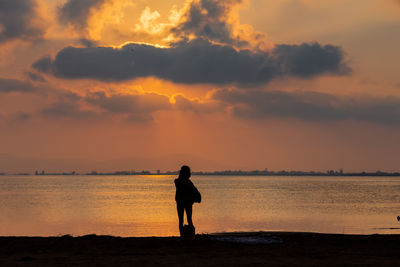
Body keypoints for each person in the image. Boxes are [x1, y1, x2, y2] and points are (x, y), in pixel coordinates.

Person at [174, 165, 201, 237]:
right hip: (186, 203)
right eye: (189, 173)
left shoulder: (179, 181)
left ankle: (185, 236)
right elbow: (194, 191)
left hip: (182, 203)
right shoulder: (185, 182)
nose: (190, 174)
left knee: (182, 220)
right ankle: (190, 236)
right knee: (188, 219)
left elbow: (194, 191)